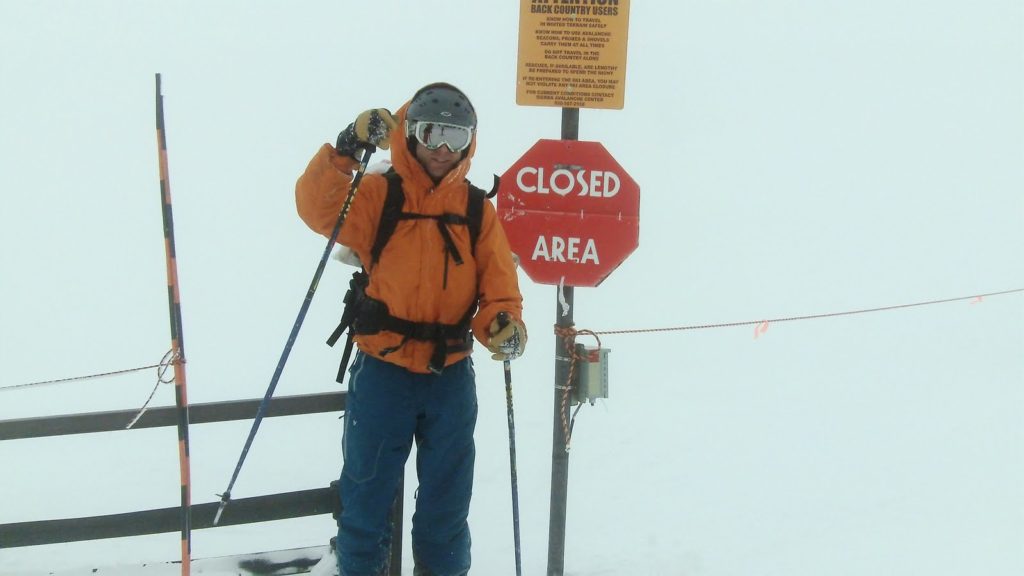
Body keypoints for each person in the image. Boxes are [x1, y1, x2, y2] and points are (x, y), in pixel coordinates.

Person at [296, 83, 527, 576]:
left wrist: (503, 325)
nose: (444, 149)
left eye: (456, 137)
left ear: (470, 143)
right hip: (383, 372)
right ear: (412, 136)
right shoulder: (381, 194)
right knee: (365, 507)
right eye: (432, 134)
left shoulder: (475, 210)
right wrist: (347, 147)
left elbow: (499, 291)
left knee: (445, 514)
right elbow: (318, 209)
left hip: (450, 379)